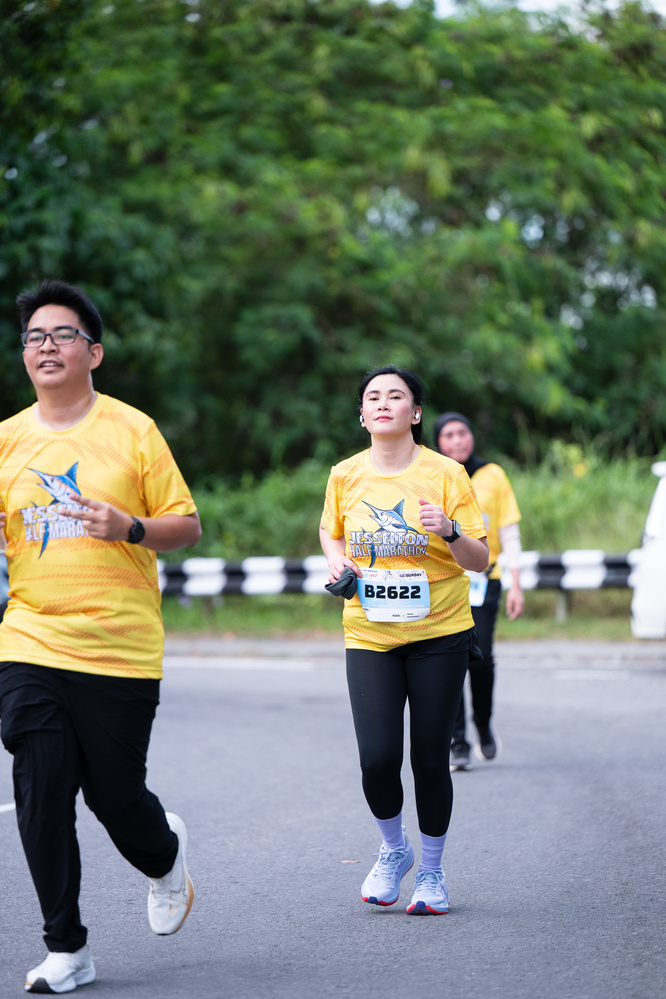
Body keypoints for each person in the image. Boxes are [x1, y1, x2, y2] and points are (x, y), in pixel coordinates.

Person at [0, 280, 202, 994]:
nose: (46, 345)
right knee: (41, 785)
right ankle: (67, 948)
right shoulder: (7, 440)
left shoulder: (133, 430)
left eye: (63, 334)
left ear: (95, 352)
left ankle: (164, 854)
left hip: (120, 647)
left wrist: (130, 527)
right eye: (34, 336)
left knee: (115, 798)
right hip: (30, 639)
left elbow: (187, 525)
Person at [319, 366, 488, 915]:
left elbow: (480, 559)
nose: (383, 403)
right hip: (369, 633)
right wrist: (336, 561)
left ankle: (433, 872)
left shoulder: (446, 474)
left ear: (415, 413)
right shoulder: (345, 475)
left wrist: (450, 531)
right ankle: (395, 849)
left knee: (429, 759)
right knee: (377, 758)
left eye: (396, 396)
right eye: (373, 396)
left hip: (440, 632)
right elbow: (330, 530)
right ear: (362, 415)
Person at [434, 412, 524, 771]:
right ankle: (458, 742)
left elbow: (510, 532)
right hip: (444, 581)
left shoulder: (493, 475)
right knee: (449, 659)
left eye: (463, 433)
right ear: (438, 441)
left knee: (481, 657)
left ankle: (483, 723)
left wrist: (517, 583)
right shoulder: (432, 475)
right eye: (449, 435)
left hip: (486, 578)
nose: (457, 440)